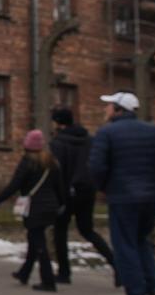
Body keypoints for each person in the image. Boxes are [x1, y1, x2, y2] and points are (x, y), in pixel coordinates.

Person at [88, 92, 155, 295]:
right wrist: (152, 183)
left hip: (123, 196)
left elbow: (96, 167)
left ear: (118, 109)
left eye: (108, 106)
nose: (105, 110)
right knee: (141, 242)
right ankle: (154, 289)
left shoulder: (107, 133)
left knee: (125, 246)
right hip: (151, 197)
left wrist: (104, 187)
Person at [0, 130, 66, 292]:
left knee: (38, 242)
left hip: (34, 207)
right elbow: (59, 185)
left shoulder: (27, 162)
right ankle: (24, 273)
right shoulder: (51, 162)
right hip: (50, 206)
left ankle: (48, 280)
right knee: (35, 239)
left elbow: (15, 184)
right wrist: (61, 203)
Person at [49, 106, 116, 285]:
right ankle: (117, 265)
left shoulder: (58, 143)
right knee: (87, 230)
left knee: (60, 231)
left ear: (58, 123)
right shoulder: (89, 140)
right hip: (87, 189)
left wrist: (57, 195)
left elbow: (57, 171)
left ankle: (64, 272)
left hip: (66, 191)